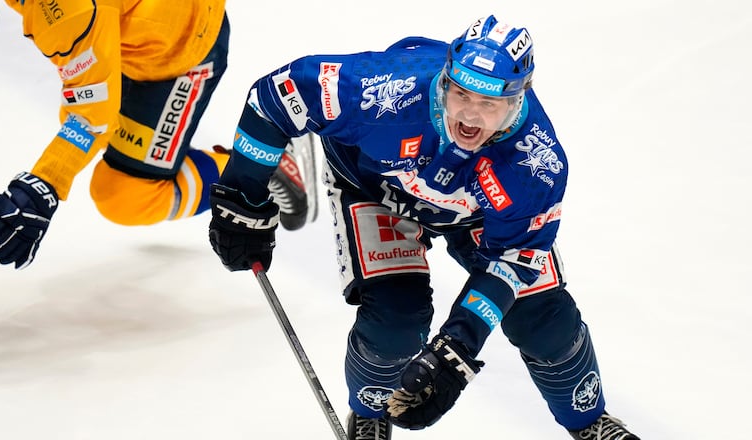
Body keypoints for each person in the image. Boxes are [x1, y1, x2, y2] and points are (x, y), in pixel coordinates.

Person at [207, 13, 641, 440]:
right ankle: (371, 412)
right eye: (462, 95)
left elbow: (515, 257)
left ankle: (589, 422)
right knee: (394, 325)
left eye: (489, 104)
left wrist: (458, 348)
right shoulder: (385, 90)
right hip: (376, 190)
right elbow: (278, 96)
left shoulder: (536, 163)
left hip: (479, 215)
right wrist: (242, 195)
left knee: (544, 319)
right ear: (446, 81)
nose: (470, 117)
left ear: (517, 101)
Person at [0, 0, 314, 270]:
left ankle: (259, 161)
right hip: (121, 30)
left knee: (125, 196)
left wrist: (44, 184)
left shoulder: (68, 9)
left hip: (177, 50)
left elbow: (91, 114)